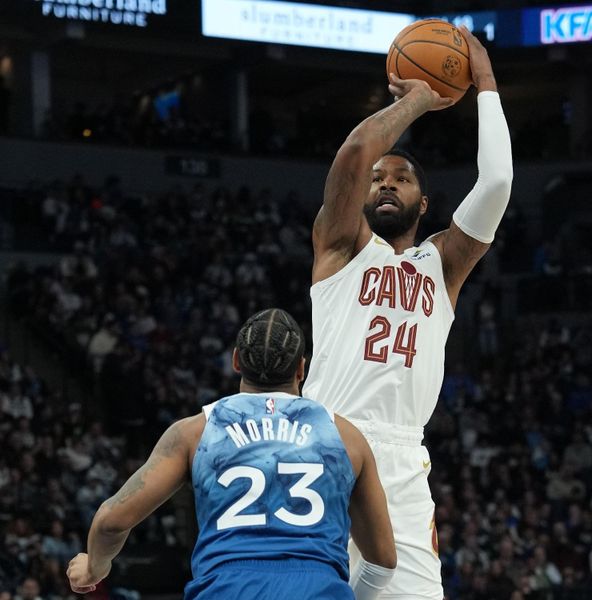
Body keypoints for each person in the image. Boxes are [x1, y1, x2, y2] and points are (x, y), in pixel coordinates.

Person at [303, 25, 513, 598]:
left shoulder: (441, 264)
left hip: (400, 459)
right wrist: (419, 99)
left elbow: (496, 181)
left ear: (425, 201)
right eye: (378, 180)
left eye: (402, 178)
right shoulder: (340, 246)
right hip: (325, 444)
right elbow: (353, 155)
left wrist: (485, 80)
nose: (385, 183)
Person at [67, 308, 396, 599]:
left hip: (227, 587)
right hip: (318, 587)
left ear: (237, 360)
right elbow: (383, 561)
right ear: (301, 369)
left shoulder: (195, 432)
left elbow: (111, 522)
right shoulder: (346, 437)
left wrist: (94, 569)